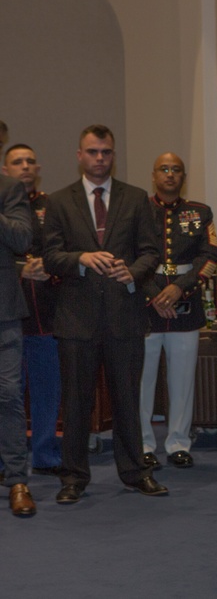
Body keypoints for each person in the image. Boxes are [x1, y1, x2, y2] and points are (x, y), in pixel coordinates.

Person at [42, 124, 168, 503]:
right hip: (76, 320)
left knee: (128, 400)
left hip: (124, 317)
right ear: (79, 155)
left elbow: (151, 251)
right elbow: (50, 256)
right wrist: (81, 257)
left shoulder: (136, 198)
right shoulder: (60, 201)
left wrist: (134, 270)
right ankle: (73, 479)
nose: (100, 158)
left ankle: (134, 473)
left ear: (114, 155)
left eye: (106, 152)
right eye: (93, 152)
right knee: (77, 404)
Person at [139, 153, 217, 469]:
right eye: (164, 169)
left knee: (182, 380)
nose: (170, 174)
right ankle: (143, 443)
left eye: (176, 170)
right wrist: (154, 295)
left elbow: (210, 255)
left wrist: (179, 288)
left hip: (185, 305)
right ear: (154, 174)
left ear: (183, 176)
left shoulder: (199, 213)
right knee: (141, 380)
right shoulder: (137, 210)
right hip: (145, 307)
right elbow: (126, 255)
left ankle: (178, 443)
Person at [2, 144, 62, 477]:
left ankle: (44, 453)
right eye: (17, 162)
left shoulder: (52, 205)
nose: (25, 166)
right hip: (8, 313)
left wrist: (49, 266)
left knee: (46, 390)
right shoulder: (4, 204)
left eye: (30, 161)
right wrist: (19, 268)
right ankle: (8, 459)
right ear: (5, 169)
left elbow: (65, 249)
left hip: (46, 315)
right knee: (7, 393)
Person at [0, 158, 36, 516]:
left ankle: (16, 480)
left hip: (3, 311)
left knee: (8, 394)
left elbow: (22, 238)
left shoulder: (9, 188)